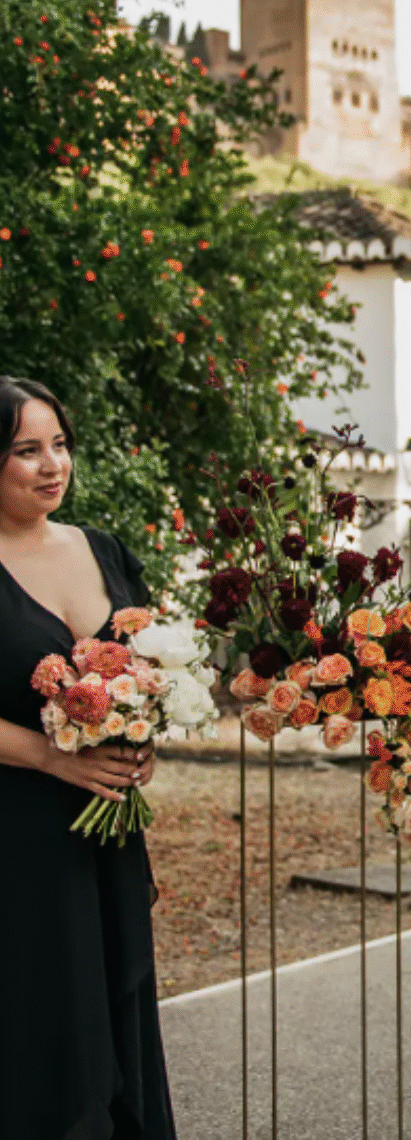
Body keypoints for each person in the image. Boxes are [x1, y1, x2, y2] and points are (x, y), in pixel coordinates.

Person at [0, 376, 175, 1139]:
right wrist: (51, 757)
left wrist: (143, 736)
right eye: (27, 450)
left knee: (113, 1023)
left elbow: (153, 665)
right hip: (18, 840)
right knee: (41, 1028)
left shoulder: (101, 549)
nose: (53, 465)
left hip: (106, 834)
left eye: (60, 444)